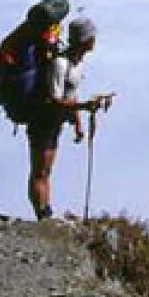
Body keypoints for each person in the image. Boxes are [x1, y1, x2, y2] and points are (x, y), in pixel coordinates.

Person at [26, 15, 105, 220]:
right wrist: (84, 107)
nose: (95, 40)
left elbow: (71, 95)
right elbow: (55, 99)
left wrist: (77, 123)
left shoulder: (77, 64)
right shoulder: (60, 64)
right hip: (42, 120)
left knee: (46, 170)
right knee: (40, 171)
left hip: (55, 121)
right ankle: (42, 216)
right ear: (84, 39)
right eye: (92, 36)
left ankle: (45, 212)